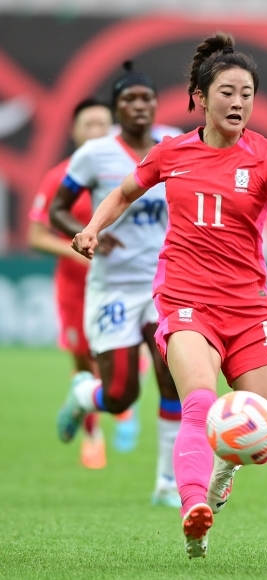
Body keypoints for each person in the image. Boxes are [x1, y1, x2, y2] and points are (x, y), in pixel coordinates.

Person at [69, 32, 267, 559]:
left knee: (266, 434)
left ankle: (222, 472)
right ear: (199, 97)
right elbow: (125, 191)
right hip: (185, 302)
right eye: (227, 91)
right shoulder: (171, 152)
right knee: (197, 401)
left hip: (248, 309)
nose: (238, 101)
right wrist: (91, 229)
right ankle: (191, 505)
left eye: (247, 93)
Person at [50, 63, 182, 508]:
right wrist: (89, 230)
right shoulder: (95, 154)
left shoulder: (175, 143)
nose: (139, 106)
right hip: (113, 288)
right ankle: (84, 396)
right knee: (122, 392)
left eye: (145, 98)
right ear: (116, 109)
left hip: (165, 285)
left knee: (172, 376)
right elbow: (57, 210)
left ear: (154, 103)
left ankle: (167, 481)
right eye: (129, 99)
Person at [28, 98, 114, 469]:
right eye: (88, 124)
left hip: (118, 285)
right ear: (74, 131)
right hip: (76, 289)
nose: (96, 131)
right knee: (84, 362)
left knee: (121, 361)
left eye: (103, 124)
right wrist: (75, 249)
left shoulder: (124, 174)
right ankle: (92, 434)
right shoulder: (60, 177)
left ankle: (124, 414)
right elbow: (36, 235)